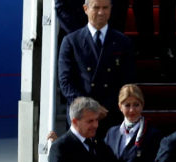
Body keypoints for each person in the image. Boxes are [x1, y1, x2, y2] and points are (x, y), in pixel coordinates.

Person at [57, 0, 135, 135]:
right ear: (85, 9)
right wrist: (90, 107)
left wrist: (105, 107)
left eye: (105, 8)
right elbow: (66, 82)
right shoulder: (71, 41)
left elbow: (126, 80)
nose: (101, 12)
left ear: (111, 9)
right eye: (96, 7)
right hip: (81, 115)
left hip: (110, 115)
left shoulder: (123, 42)